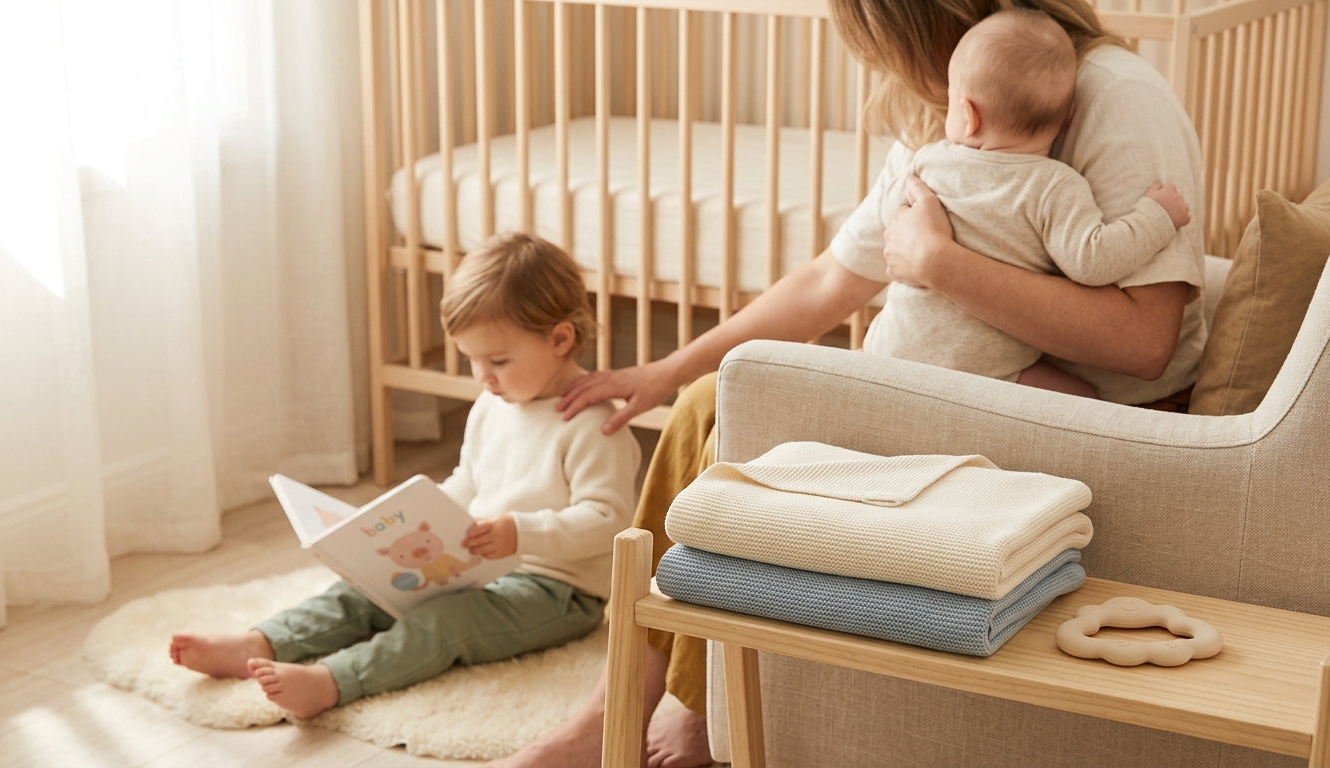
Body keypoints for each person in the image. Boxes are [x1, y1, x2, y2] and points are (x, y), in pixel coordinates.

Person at [491, 1, 1207, 766]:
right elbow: (834, 280)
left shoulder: (1111, 95)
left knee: (727, 415)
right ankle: (624, 708)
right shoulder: (953, 118)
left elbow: (1145, 343)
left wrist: (941, 265)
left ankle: (695, 705)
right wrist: (667, 368)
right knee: (706, 397)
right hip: (969, 386)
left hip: (1077, 412)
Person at [169, 232, 642, 720]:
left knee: (446, 622)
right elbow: (469, 482)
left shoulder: (593, 426)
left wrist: (518, 533)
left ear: (560, 339)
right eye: (472, 359)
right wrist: (408, 518)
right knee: (365, 591)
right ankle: (264, 640)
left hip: (554, 589)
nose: (483, 375)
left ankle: (334, 681)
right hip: (472, 564)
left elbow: (607, 520)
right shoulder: (493, 405)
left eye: (498, 360)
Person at [868, 7, 1191, 397]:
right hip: (991, 373)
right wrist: (1156, 217)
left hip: (893, 350)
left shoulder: (931, 160)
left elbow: (894, 220)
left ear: (967, 115)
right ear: (1070, 116)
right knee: (1085, 400)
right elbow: (1093, 259)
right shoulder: (1055, 186)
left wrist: (926, 250)